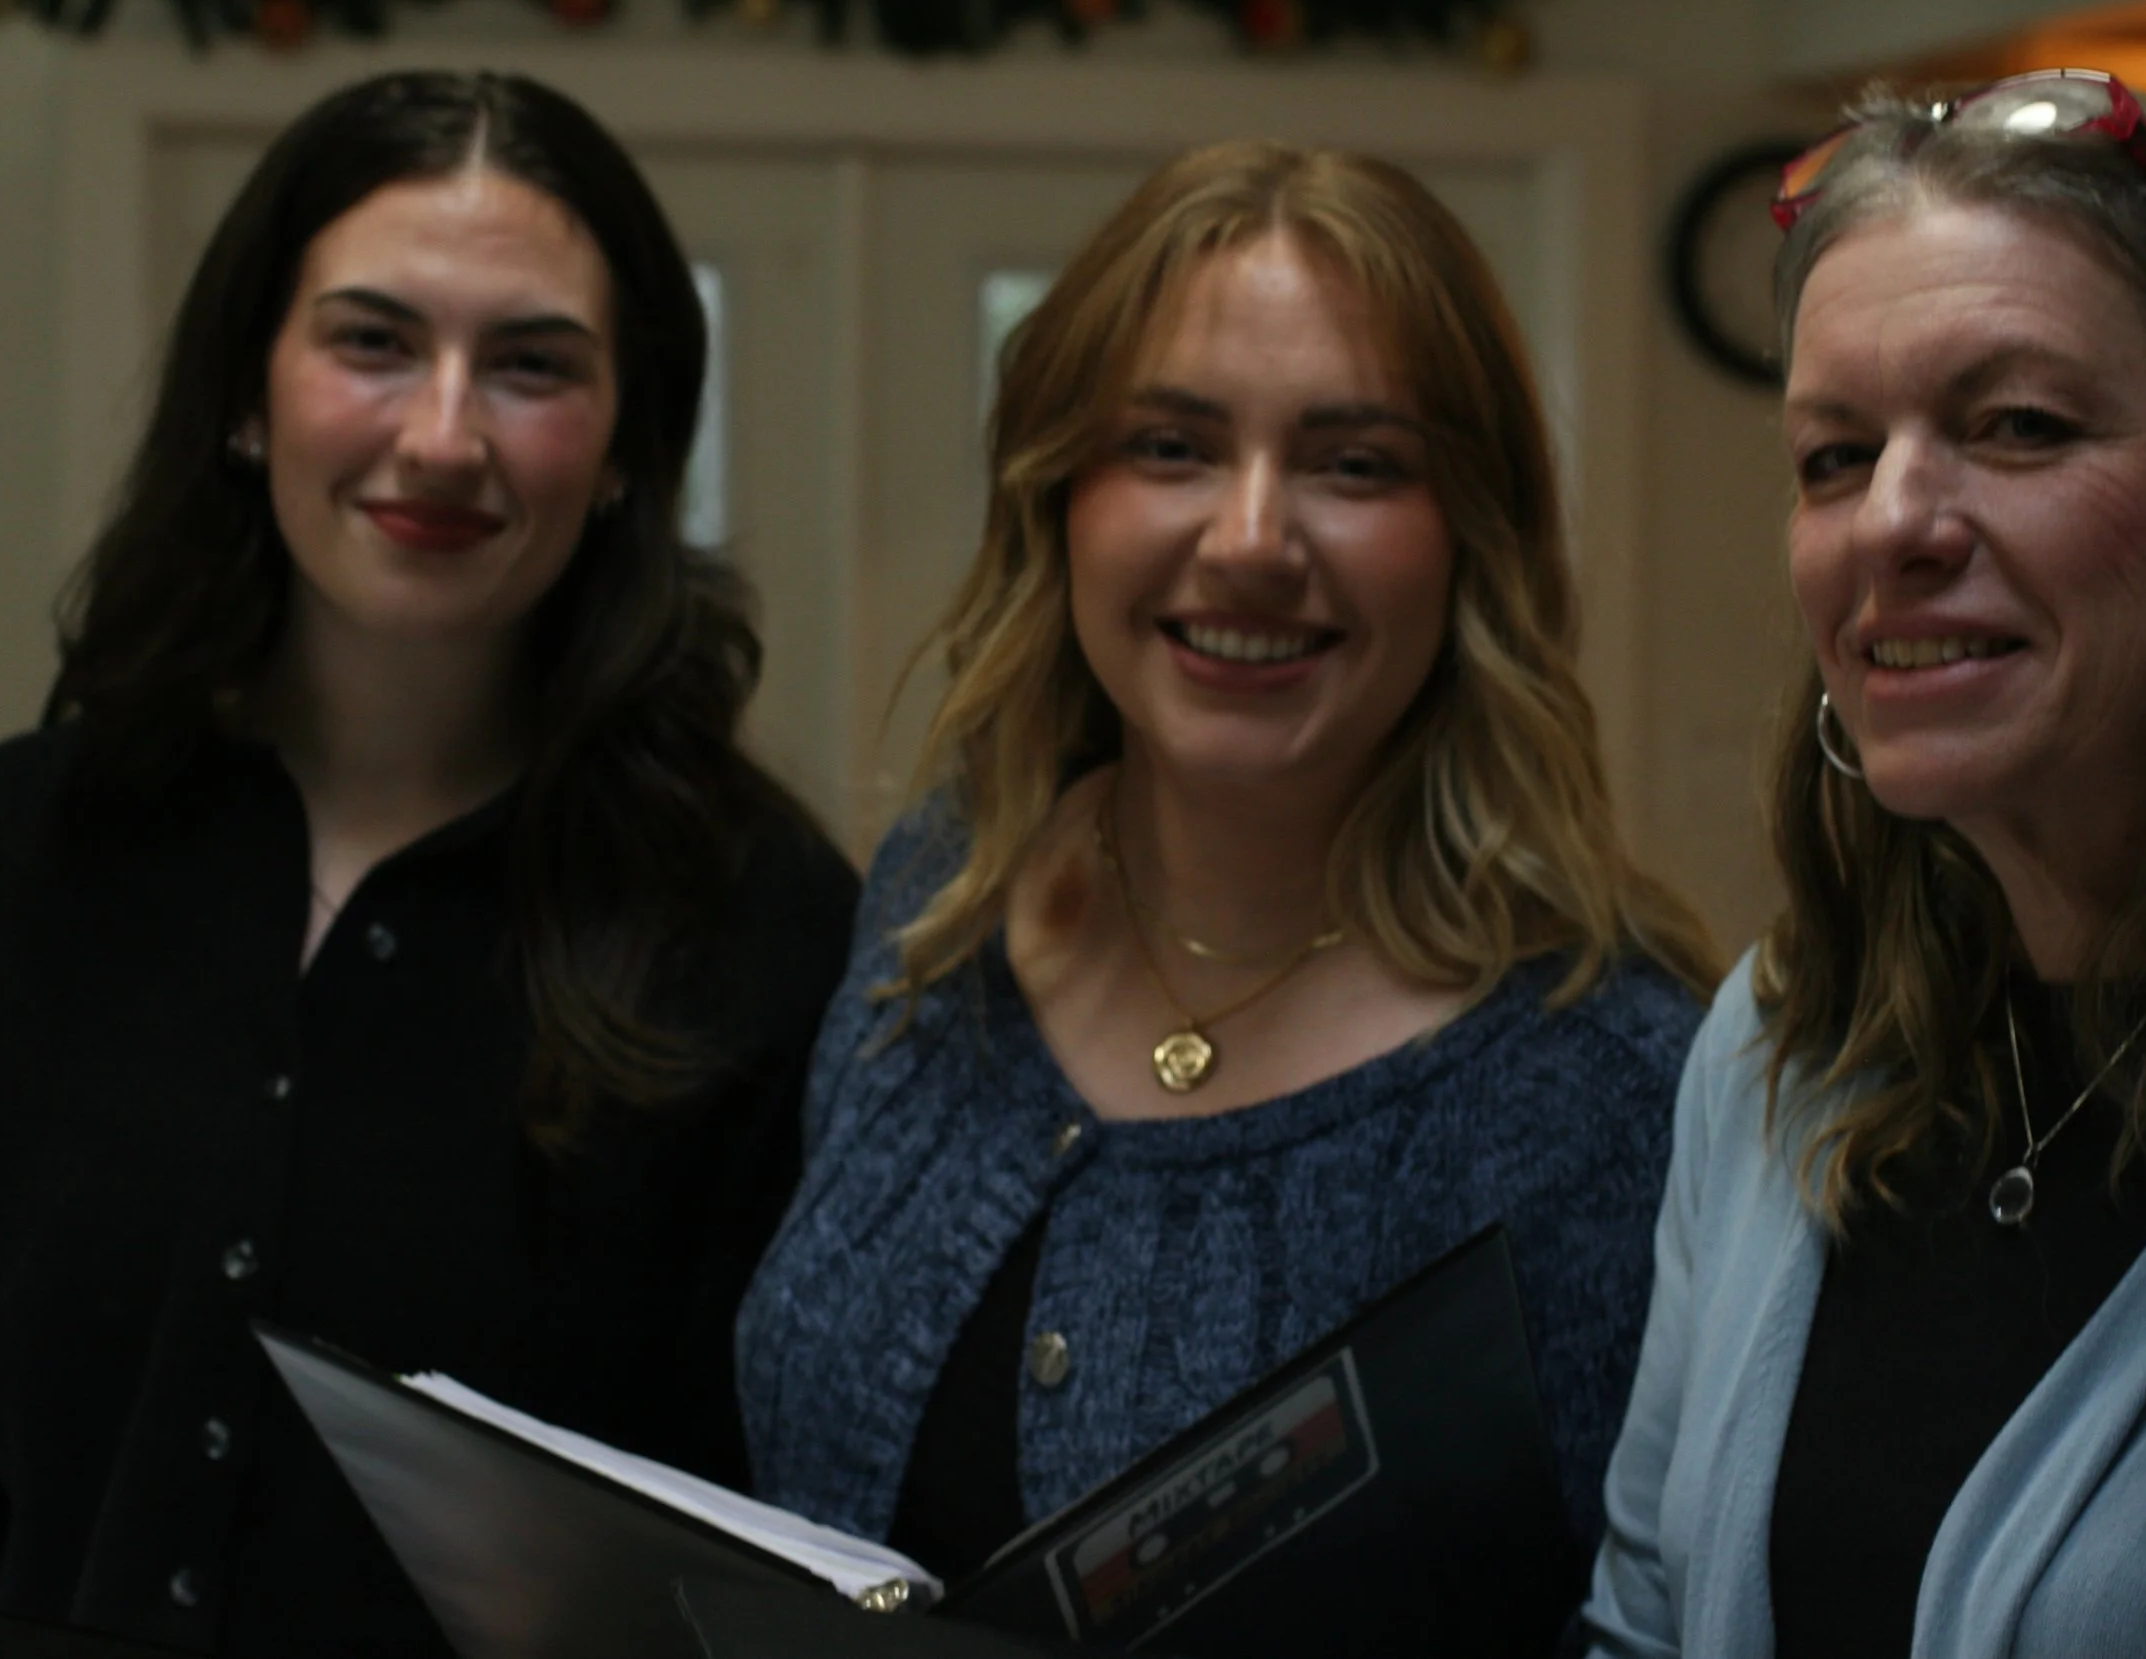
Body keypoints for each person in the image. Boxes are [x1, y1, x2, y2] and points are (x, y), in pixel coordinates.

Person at [0, 71, 855, 1657]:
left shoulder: (757, 923)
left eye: (533, 366)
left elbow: (779, 1540)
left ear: (629, 442)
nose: (442, 434)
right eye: (372, 341)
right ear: (245, 393)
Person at [735, 141, 1720, 1594]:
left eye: (1354, 464)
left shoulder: (1601, 1090)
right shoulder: (940, 899)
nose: (1252, 540)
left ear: (1471, 540)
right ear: (1060, 496)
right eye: (1173, 447)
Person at [1585, 71, 2146, 1658]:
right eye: (1835, 455)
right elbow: (1642, 1620)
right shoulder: (1785, 1041)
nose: (1893, 518)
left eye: (2017, 425)